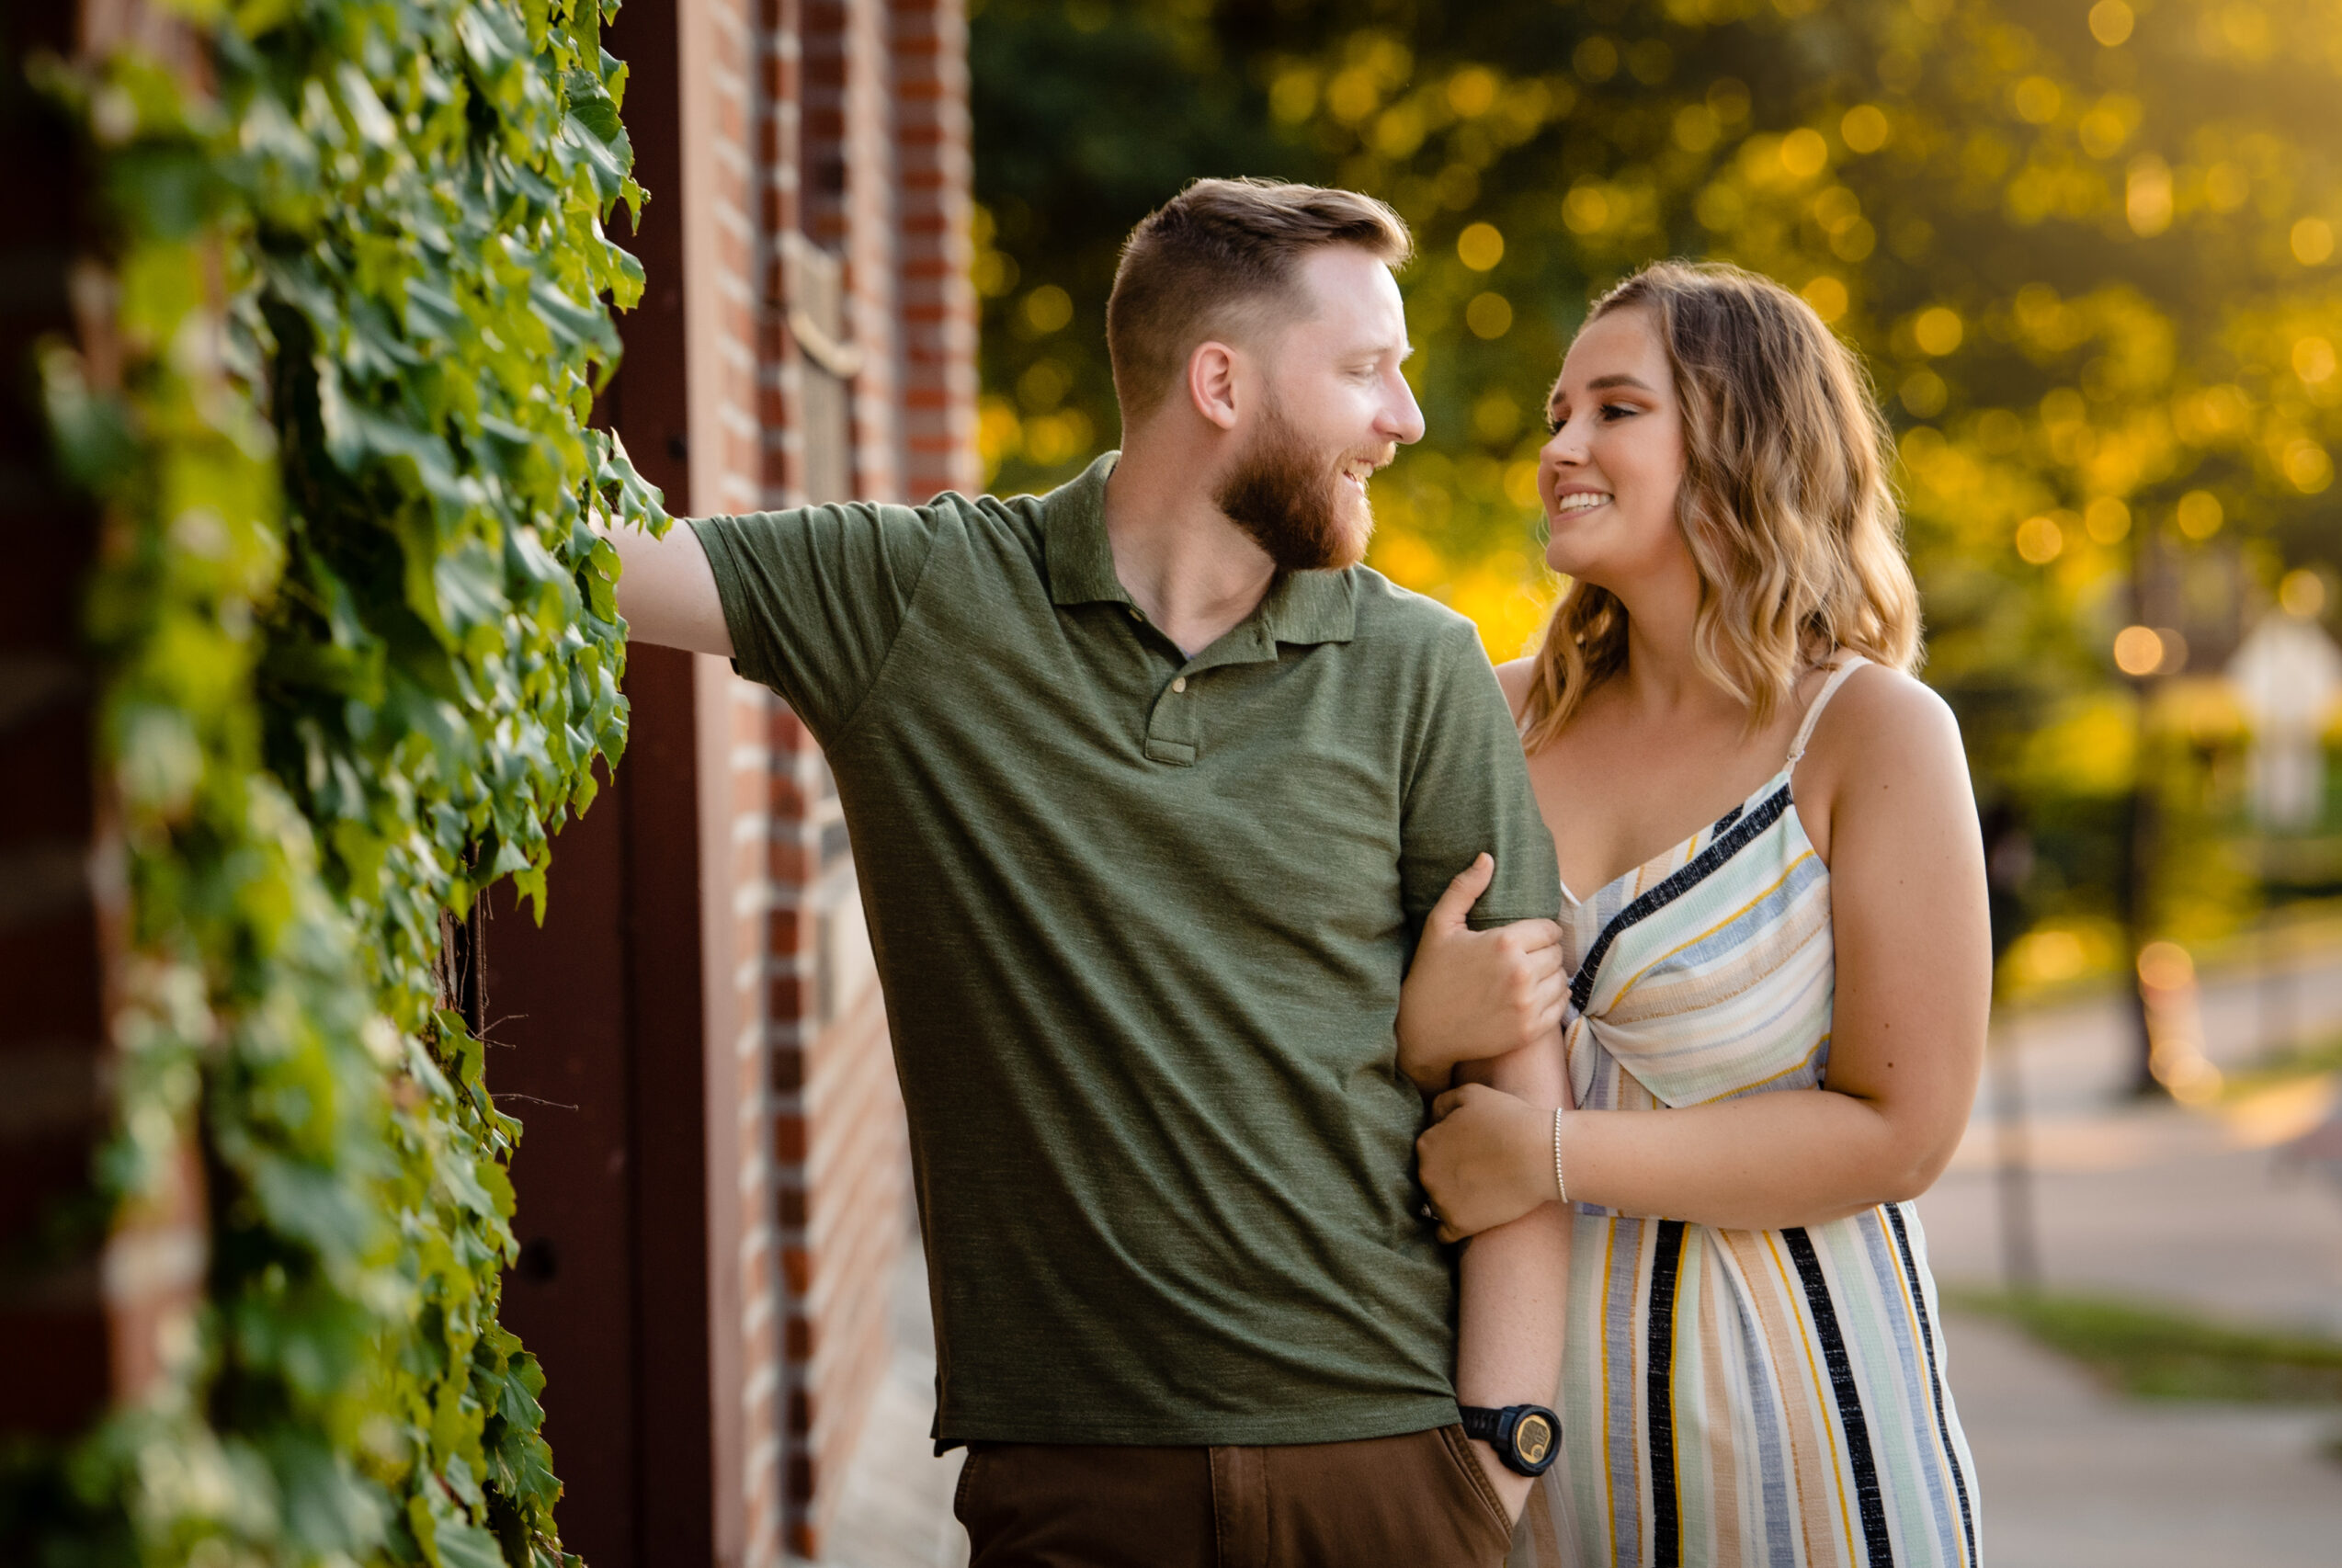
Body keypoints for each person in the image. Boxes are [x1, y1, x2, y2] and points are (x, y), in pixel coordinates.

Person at [608, 177, 1571, 1565]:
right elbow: (589, 564)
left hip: (1386, 1464)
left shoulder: (1419, 666)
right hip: (1071, 1480)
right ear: (1221, 382)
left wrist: (1497, 1460)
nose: (1403, 418)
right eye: (1365, 370)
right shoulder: (922, 600)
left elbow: (1520, 1089)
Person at [1411, 261, 1987, 1568]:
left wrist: (1554, 1159)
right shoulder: (1493, 721)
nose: (1560, 446)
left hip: (1807, 1443)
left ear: (1742, 439)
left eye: (1615, 409)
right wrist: (1418, 1024)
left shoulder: (1870, 735)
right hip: (1533, 1457)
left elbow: (1900, 1131)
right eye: (1559, 412)